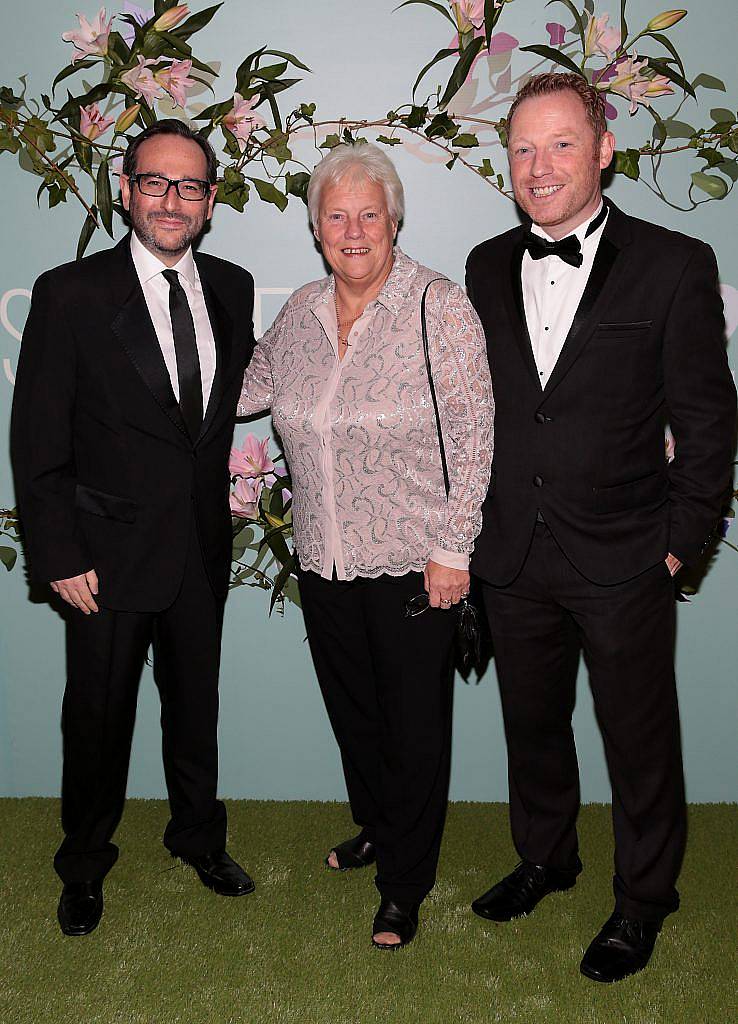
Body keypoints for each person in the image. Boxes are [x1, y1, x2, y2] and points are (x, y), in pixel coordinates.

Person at [466, 73, 737, 982]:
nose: (539, 167)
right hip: (513, 553)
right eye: (523, 149)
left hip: (626, 554)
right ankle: (547, 857)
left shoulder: (676, 263)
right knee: (532, 726)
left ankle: (642, 900)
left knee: (638, 738)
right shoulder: (481, 263)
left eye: (561, 144)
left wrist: (678, 544)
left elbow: (707, 423)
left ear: (604, 149)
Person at [238, 143, 494, 948]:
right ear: (316, 229)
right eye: (336, 216)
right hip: (324, 556)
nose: (353, 231)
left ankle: (405, 884)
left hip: (417, 562)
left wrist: (455, 547)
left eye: (368, 214)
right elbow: (245, 389)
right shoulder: (303, 311)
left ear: (395, 220)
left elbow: (476, 432)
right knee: (356, 718)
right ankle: (381, 826)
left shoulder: (437, 306)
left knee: (413, 727)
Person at [11, 119, 257, 936]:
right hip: (104, 560)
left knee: (196, 710)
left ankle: (198, 837)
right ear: (125, 188)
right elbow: (38, 437)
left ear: (211, 201)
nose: (171, 200)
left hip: (198, 548)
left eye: (189, 186)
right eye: (155, 182)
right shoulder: (69, 293)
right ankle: (83, 863)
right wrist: (58, 551)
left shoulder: (233, 284)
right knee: (97, 718)